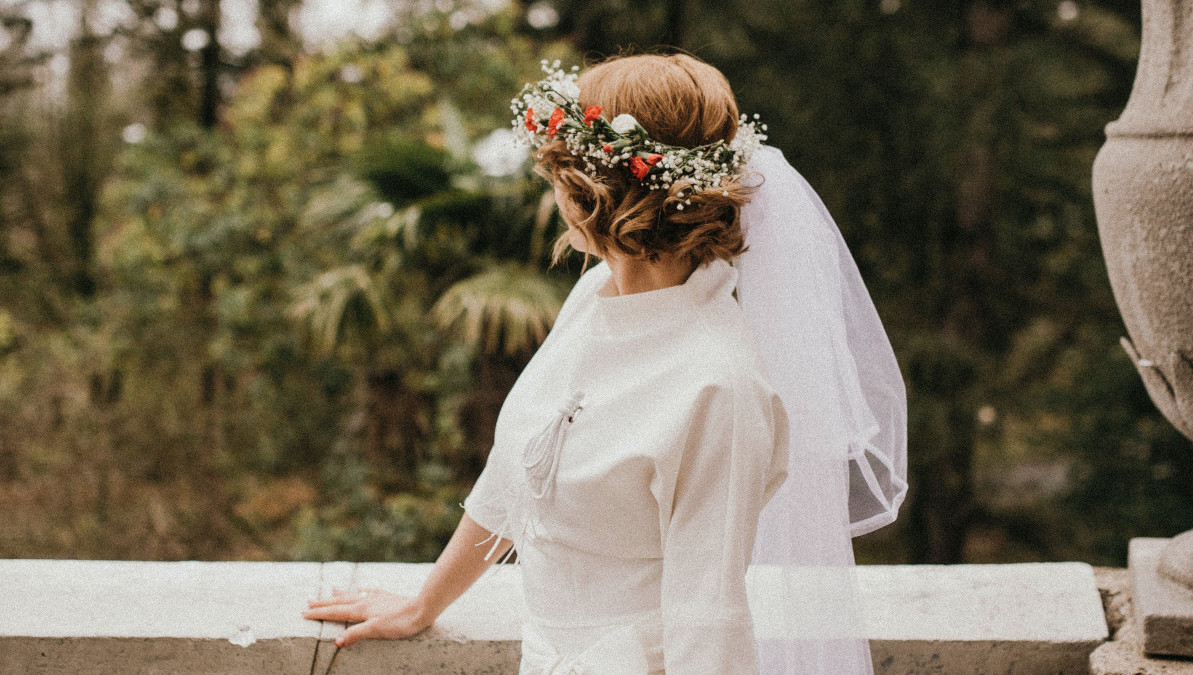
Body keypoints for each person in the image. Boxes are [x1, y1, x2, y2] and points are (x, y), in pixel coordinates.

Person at [303, 52, 906, 675]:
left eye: (560, 173)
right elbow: (518, 474)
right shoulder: (594, 298)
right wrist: (423, 604)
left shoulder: (719, 387)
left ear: (592, 192)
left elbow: (710, 621)